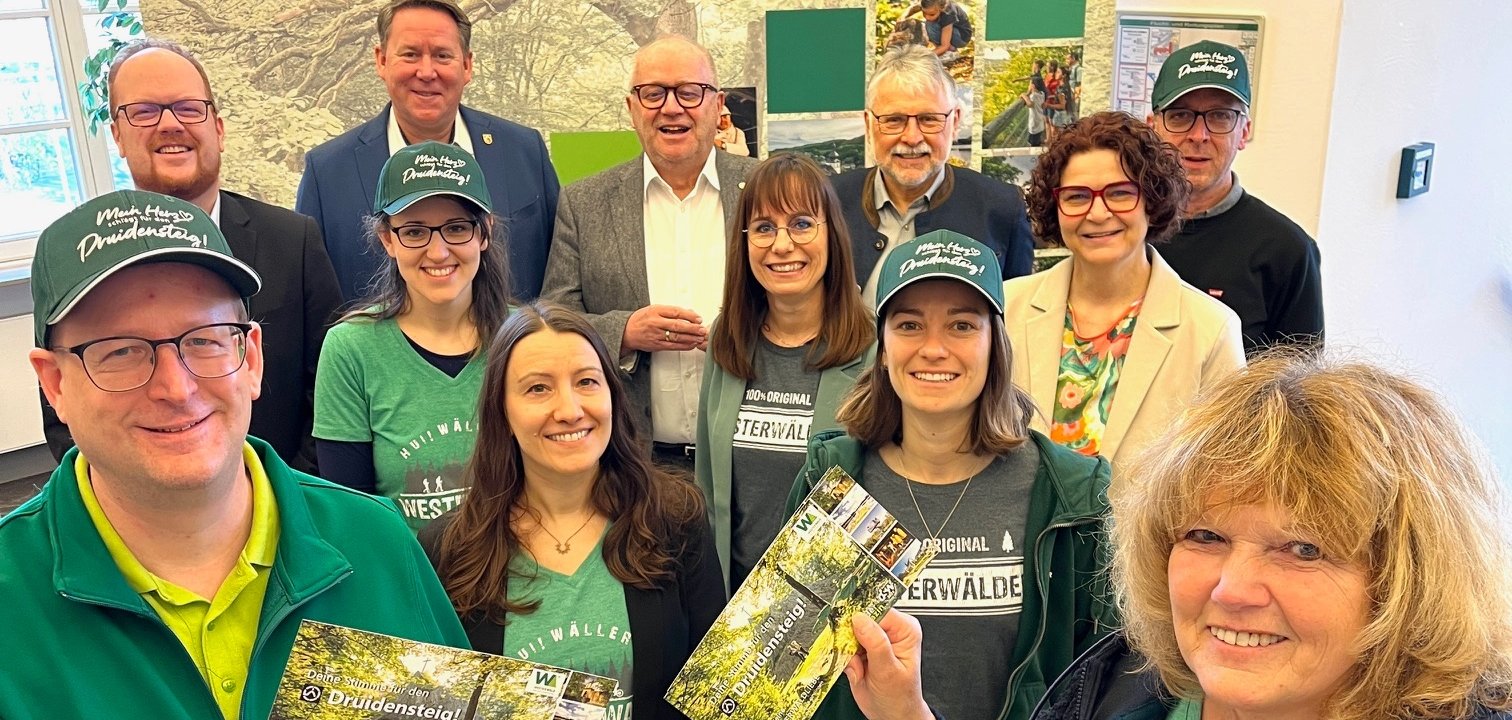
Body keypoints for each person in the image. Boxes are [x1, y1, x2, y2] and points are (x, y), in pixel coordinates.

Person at [2, 190, 467, 719]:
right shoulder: (11, 604)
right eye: (122, 351)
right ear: (55, 383)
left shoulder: (375, 544)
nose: (176, 389)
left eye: (205, 340)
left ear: (251, 360)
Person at [1033, 353, 1512, 720]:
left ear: (1413, 583)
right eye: (1206, 536)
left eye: (1304, 549)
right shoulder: (1103, 691)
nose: (1231, 590)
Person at [787, 231, 1114, 720]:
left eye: (961, 325)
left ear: (994, 344)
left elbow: (1109, 689)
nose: (934, 349)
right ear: (882, 347)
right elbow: (781, 674)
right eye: (909, 325)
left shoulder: (1071, 494)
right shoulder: (834, 482)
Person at [39, 39, 342, 475]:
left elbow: (333, 388)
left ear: (217, 127)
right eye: (144, 111)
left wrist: (287, 494)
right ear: (118, 136)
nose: (169, 124)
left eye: (188, 108)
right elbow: (63, 416)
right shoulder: (77, 260)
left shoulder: (293, 240)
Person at [419, 301, 725, 720]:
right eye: (538, 388)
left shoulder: (676, 519)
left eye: (586, 382)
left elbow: (713, 699)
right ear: (501, 411)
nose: (569, 410)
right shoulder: (448, 548)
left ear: (612, 397)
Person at [541, 35, 758, 470]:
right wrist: (624, 332)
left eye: (689, 92)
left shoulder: (765, 187)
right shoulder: (585, 203)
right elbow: (552, 320)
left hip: (752, 460)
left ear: (718, 107)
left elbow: (813, 307)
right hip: (633, 464)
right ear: (632, 108)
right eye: (653, 93)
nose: (671, 107)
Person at [1006, 111, 1244, 469]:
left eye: (1119, 193)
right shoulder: (1007, 308)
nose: (1098, 213)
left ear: (1152, 201)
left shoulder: (1211, 330)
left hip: (1144, 527)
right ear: (1055, 208)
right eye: (1076, 197)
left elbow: (1224, 471)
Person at [298, 0, 559, 302]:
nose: (426, 71)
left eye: (442, 55)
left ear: (467, 65)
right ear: (381, 60)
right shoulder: (327, 172)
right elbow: (313, 302)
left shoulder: (524, 152)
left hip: (514, 347)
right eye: (410, 54)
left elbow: (560, 282)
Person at [695, 153, 874, 589]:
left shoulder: (876, 347)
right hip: (733, 605)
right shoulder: (727, 340)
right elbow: (707, 483)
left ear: (832, 235)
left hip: (832, 607)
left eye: (801, 223)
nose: (781, 244)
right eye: (763, 227)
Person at [313, 141, 511, 531]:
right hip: (410, 582)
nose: (438, 252)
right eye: (415, 232)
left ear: (483, 234)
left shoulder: (525, 338)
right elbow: (351, 519)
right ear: (387, 239)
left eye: (456, 228)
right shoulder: (351, 348)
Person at [1147, 40, 1324, 352]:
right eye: (1179, 115)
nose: (1198, 135)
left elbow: (1303, 390)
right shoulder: (1123, 229)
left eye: (1220, 117)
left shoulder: (1286, 250)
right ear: (1153, 128)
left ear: (1244, 131)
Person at [832, 46, 1034, 308]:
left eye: (929, 119)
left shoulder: (1002, 209)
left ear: (956, 120)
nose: (912, 137)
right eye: (894, 120)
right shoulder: (827, 203)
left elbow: (1015, 323)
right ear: (869, 124)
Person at [1020, 75, 1046, 147]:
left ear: (1033, 86)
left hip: (1034, 124)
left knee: (1033, 144)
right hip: (1040, 122)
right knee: (1037, 141)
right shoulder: (1042, 94)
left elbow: (1030, 104)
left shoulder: (1033, 96)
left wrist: (1024, 95)